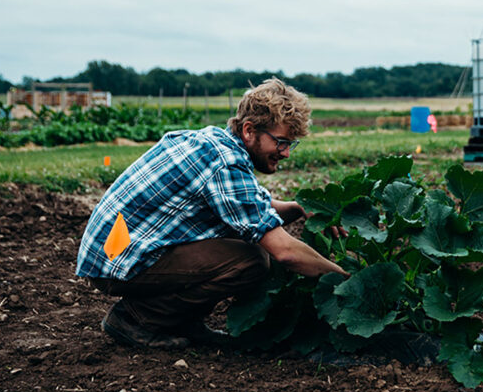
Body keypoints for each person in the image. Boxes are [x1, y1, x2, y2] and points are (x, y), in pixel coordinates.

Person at [75, 77, 348, 349]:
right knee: (251, 260)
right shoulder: (225, 164)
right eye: (280, 142)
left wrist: (302, 208)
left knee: (244, 242)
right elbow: (285, 252)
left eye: (291, 144)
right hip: (116, 260)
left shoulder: (215, 143)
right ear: (249, 130)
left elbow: (255, 208)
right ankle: (135, 318)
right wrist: (347, 282)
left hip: (114, 250)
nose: (286, 153)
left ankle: (181, 321)